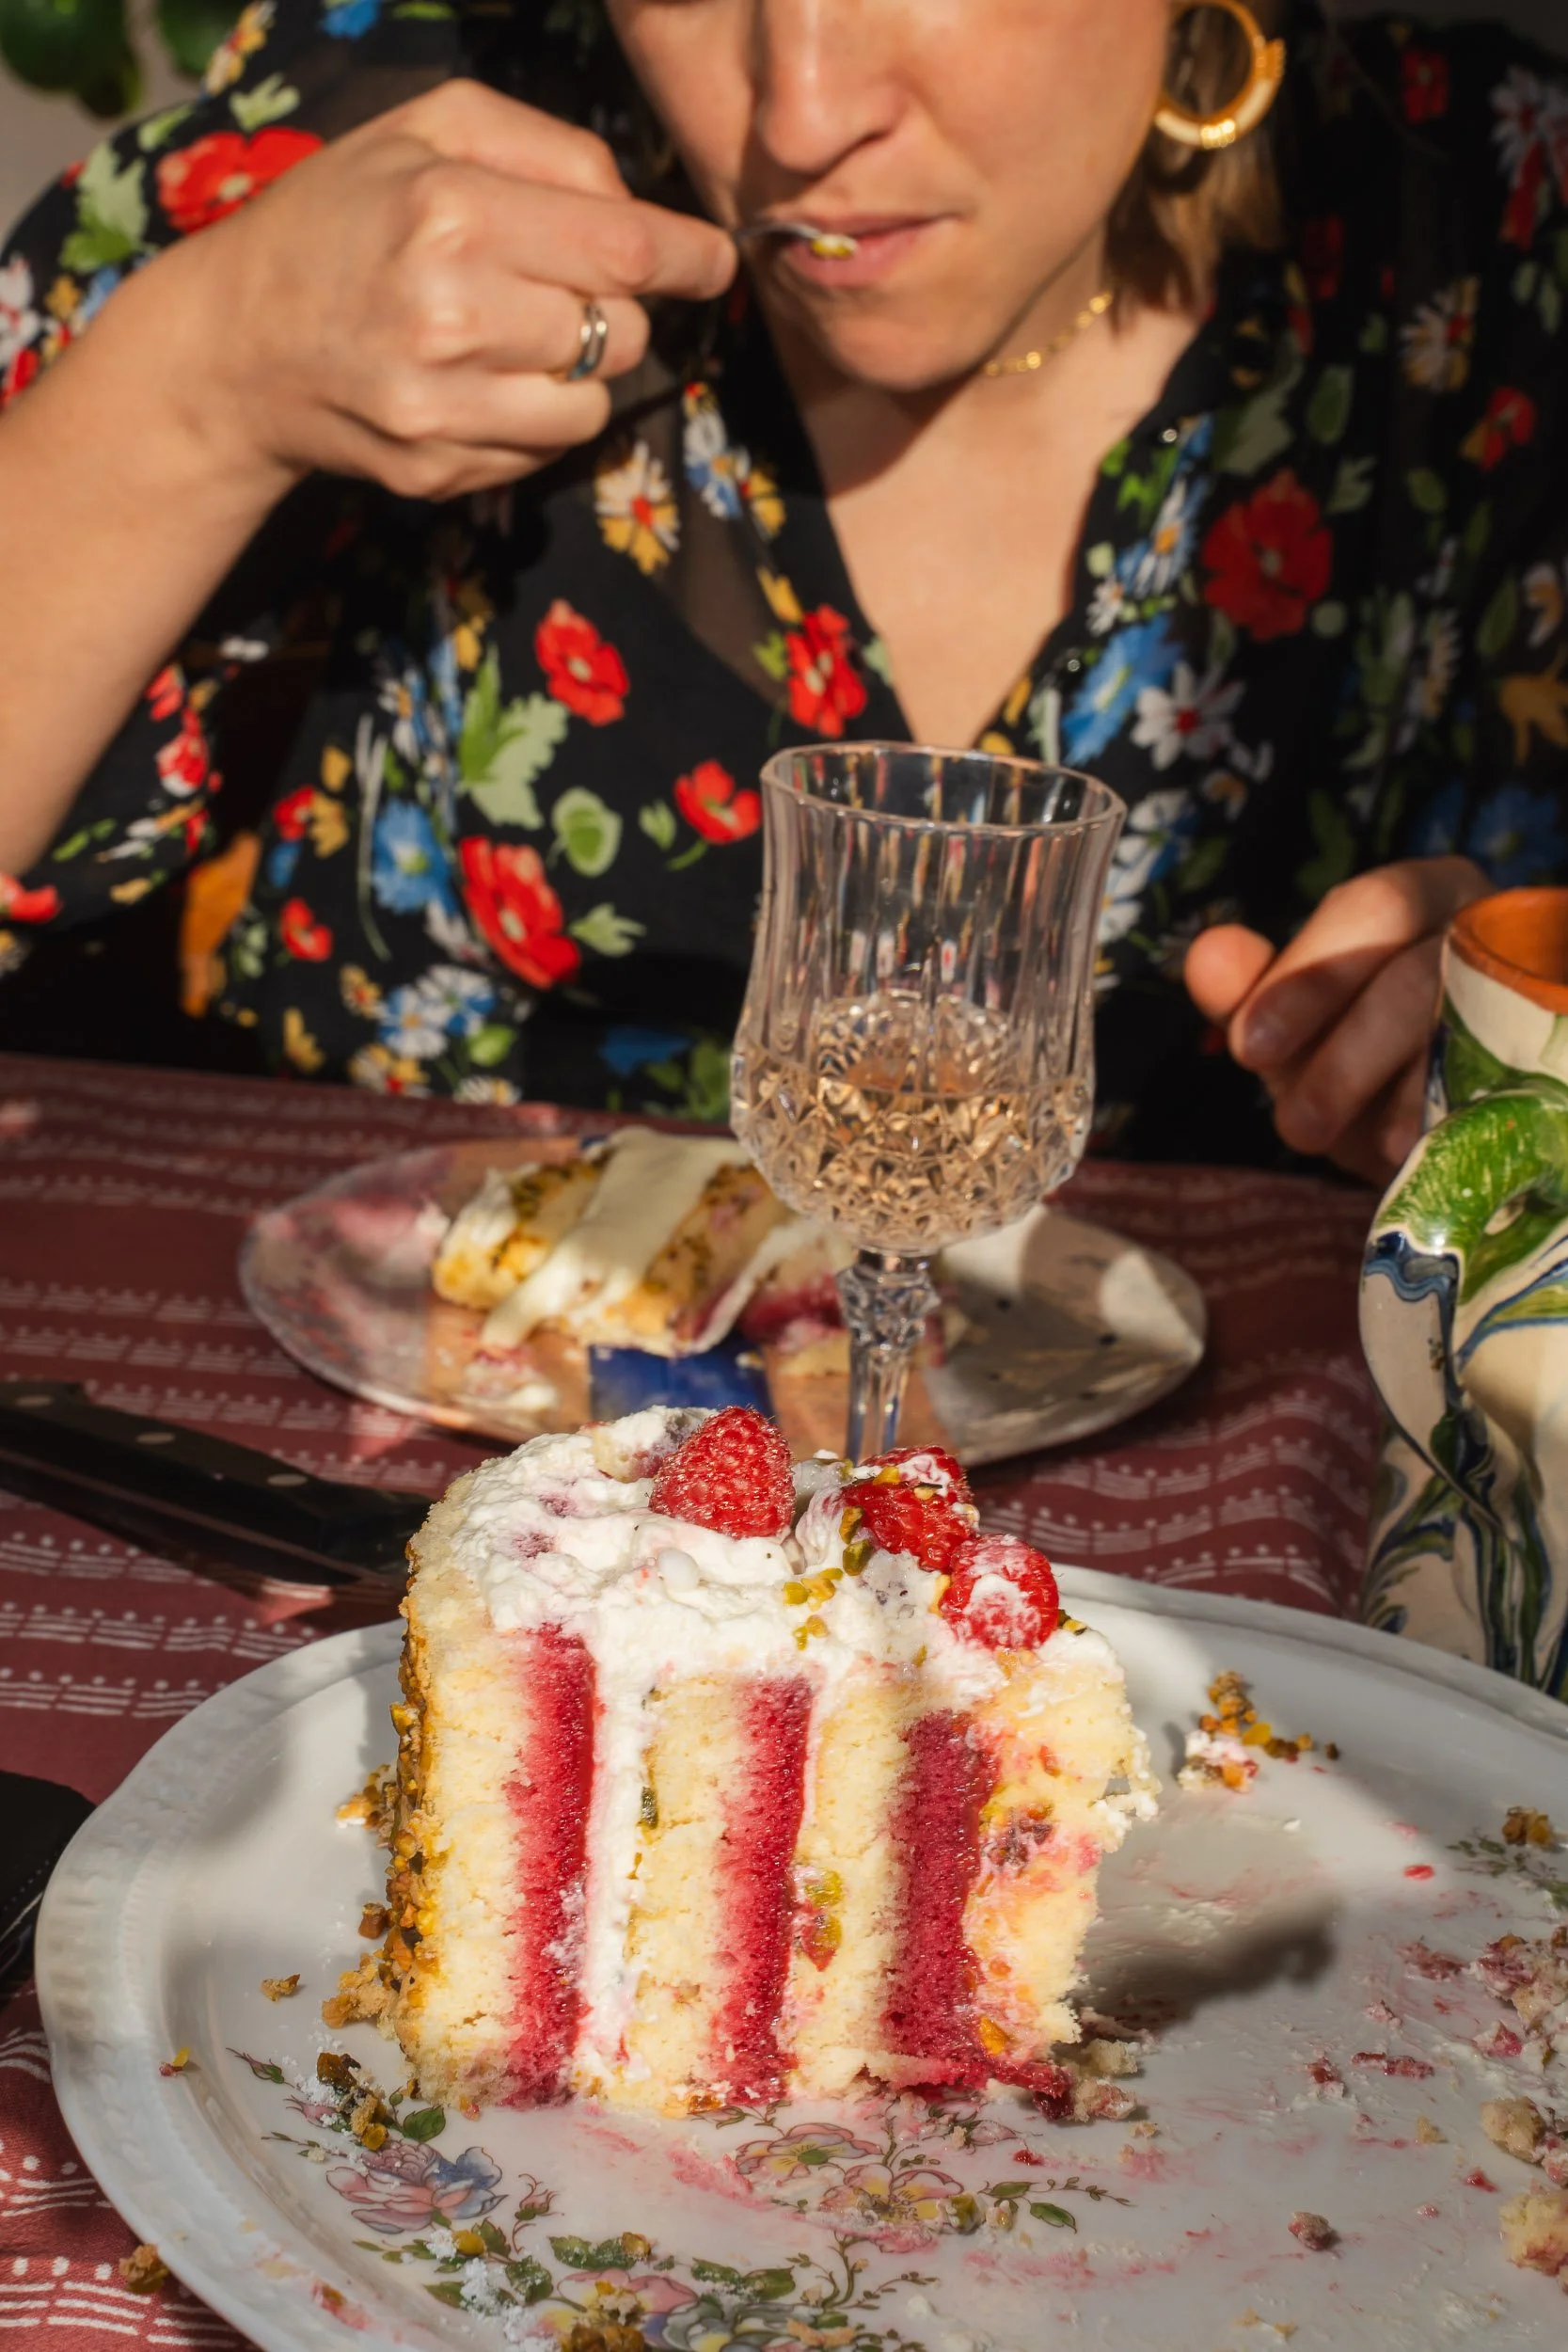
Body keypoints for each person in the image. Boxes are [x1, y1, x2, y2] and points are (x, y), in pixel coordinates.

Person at [0, 0, 1563, 1183]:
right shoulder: (423, 126)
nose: (800, 115)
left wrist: (1517, 1030)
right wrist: (197, 389)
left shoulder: (1487, 227)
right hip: (387, 1449)